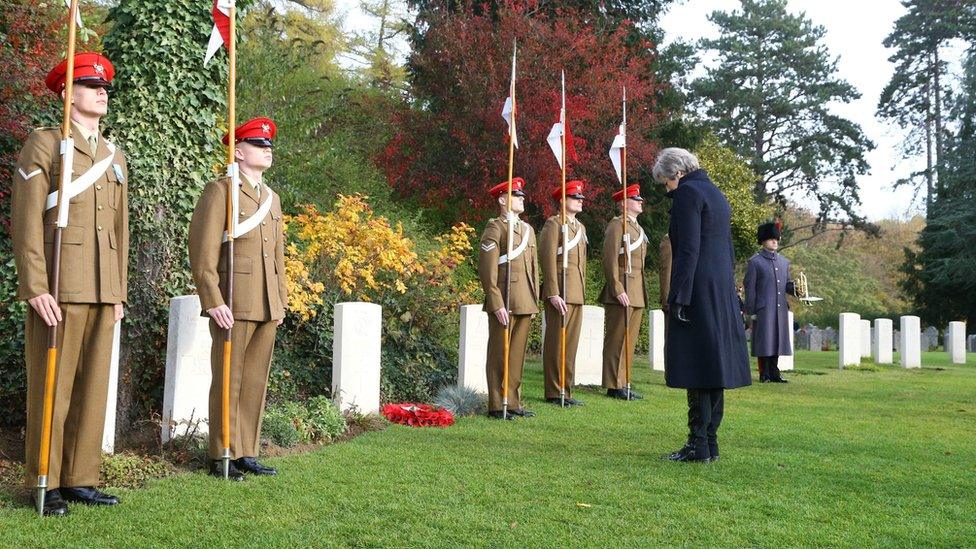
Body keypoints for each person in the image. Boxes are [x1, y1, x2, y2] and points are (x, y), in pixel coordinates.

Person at [12, 52, 128, 515]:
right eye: (89, 84)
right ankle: (45, 480)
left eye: (103, 87)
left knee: (93, 387)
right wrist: (36, 286)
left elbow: (120, 228)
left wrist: (118, 291)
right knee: (52, 387)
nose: (101, 92)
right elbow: (25, 222)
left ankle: (81, 477)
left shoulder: (113, 155)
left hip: (101, 288)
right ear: (67, 93)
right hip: (59, 287)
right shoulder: (44, 144)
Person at [189, 117, 287, 480]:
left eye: (269, 146)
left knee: (255, 381)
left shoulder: (271, 198)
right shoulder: (221, 191)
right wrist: (213, 300)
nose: (267, 150)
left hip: (265, 301)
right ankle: (222, 454)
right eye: (259, 145)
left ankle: (245, 450)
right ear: (238, 151)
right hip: (232, 299)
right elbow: (202, 251)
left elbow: (277, 255)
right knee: (229, 378)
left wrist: (280, 301)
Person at [653, 147, 751, 463]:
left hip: (697, 288)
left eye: (666, 182)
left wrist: (678, 295)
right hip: (719, 288)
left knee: (696, 366)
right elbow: (728, 249)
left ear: (676, 173)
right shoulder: (716, 193)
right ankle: (709, 442)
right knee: (713, 367)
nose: (667, 189)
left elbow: (688, 250)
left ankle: (697, 443)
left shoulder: (687, 193)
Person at [477, 177, 539, 419]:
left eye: (522, 195)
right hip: (505, 298)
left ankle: (513, 402)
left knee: (516, 355)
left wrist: (533, 299)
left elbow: (533, 268)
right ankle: (496, 403)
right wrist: (495, 301)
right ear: (503, 200)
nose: (522, 198)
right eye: (516, 195)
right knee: (499, 354)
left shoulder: (528, 229)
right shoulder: (496, 227)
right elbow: (487, 269)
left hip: (524, 298)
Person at [538, 180, 587, 407]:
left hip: (576, 290)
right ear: (563, 201)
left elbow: (582, 264)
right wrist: (552, 292)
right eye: (575, 198)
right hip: (560, 290)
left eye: (580, 198)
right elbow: (547, 259)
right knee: (557, 343)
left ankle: (566, 389)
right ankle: (554, 391)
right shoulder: (554, 224)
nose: (579, 201)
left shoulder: (580, 227)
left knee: (571, 344)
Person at [599, 183, 648, 400]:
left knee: (629, 340)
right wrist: (617, 288)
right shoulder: (618, 225)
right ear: (623, 203)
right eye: (635, 199)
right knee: (617, 338)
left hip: (636, 289)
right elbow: (609, 260)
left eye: (640, 199)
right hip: (622, 289)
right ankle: (613, 384)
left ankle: (624, 381)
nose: (640, 202)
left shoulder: (636, 227)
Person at [743, 221, 793, 383]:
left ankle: (775, 372)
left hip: (780, 309)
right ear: (763, 241)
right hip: (763, 308)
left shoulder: (784, 262)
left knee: (777, 340)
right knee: (765, 341)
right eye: (771, 239)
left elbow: (787, 285)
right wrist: (751, 312)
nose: (775, 242)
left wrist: (797, 290)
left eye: (776, 239)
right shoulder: (755, 262)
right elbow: (750, 288)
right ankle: (764, 373)